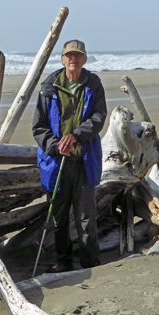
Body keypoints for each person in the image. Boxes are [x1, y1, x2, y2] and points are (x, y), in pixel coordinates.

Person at [32, 39, 107, 273]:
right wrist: (55, 145)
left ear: (84, 59)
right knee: (59, 218)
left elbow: (98, 118)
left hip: (84, 161)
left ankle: (89, 262)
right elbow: (39, 127)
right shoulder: (48, 87)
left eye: (78, 55)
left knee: (86, 218)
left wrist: (75, 136)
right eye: (69, 55)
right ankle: (63, 263)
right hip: (57, 163)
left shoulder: (94, 85)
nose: (73, 59)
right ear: (63, 59)